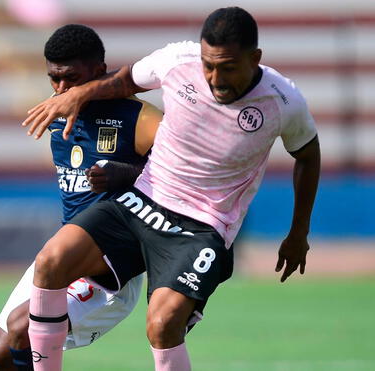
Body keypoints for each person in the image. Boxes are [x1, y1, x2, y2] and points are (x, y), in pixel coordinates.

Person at [23, 7, 321, 371]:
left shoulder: (283, 100)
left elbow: (307, 155)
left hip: (202, 226)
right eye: (209, 65)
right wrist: (79, 95)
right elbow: (124, 81)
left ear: (254, 58)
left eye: (227, 67)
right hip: (143, 199)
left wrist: (298, 232)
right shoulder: (176, 60)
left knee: (162, 325)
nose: (215, 78)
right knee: (50, 262)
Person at [0, 24, 162, 371]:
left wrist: (128, 174)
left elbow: (187, 173)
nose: (62, 89)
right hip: (64, 252)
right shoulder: (54, 112)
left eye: (72, 78)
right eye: (54, 79)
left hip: (111, 266)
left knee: (23, 329)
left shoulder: (138, 117)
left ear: (98, 70)